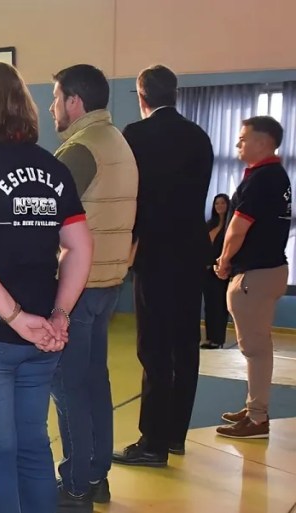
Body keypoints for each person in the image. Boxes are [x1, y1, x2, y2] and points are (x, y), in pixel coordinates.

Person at [0, 61, 92, 513]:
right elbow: (81, 248)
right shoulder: (53, 167)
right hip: (42, 337)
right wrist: (58, 314)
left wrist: (13, 317)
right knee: (31, 447)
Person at [48, 63, 138, 509]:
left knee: (68, 387)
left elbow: (45, 222)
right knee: (94, 383)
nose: (51, 108)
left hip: (79, 288)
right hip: (109, 283)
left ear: (74, 102)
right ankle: (97, 474)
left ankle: (75, 484)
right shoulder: (118, 140)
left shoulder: (79, 150)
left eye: (55, 97)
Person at [113, 65, 213, 467]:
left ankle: (151, 442)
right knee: (185, 346)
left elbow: (128, 199)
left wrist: (126, 248)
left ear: (142, 96)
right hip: (192, 252)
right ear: (175, 93)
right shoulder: (199, 136)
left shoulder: (135, 136)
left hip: (155, 253)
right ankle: (174, 436)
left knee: (154, 347)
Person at [214, 116, 291, 440]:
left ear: (263, 142)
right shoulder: (278, 176)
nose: (238, 145)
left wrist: (224, 259)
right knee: (257, 346)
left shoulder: (261, 179)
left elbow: (238, 227)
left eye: (243, 139)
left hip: (255, 275)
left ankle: (257, 418)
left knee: (256, 349)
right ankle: (254, 406)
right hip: (272, 270)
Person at [203, 194, 231, 349]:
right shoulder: (209, 224)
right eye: (217, 203)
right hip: (206, 270)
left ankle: (218, 339)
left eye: (222, 203)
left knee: (220, 305)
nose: (219, 206)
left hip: (221, 270)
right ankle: (209, 337)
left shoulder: (229, 226)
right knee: (209, 304)